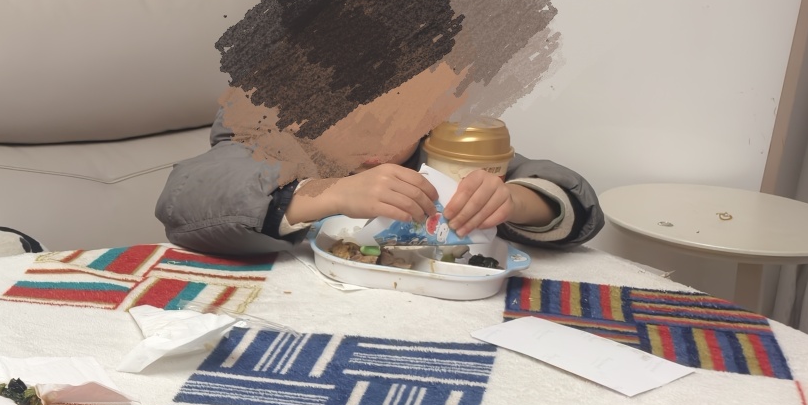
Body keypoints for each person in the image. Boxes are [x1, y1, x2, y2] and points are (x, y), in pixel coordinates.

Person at [157, 110, 602, 259]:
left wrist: (518, 201)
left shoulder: (436, 153)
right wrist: (327, 194)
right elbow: (188, 195)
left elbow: (564, 191)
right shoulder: (266, 141)